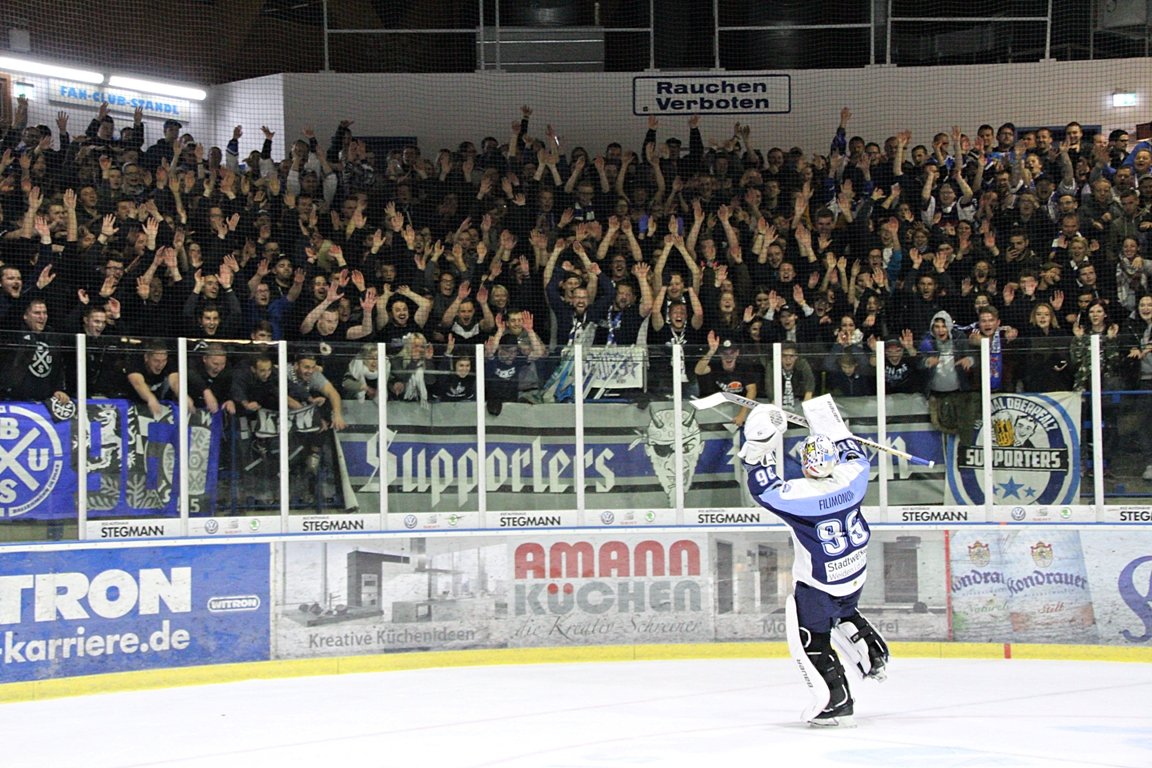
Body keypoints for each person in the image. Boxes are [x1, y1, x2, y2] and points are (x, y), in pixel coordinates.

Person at [738, 397, 889, 728]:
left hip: (819, 583)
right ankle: (872, 653)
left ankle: (836, 701)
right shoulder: (854, 477)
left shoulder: (799, 495)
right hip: (854, 572)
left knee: (812, 641)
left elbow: (760, 484)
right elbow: (851, 449)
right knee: (844, 611)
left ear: (806, 463)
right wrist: (823, 417)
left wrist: (757, 442)